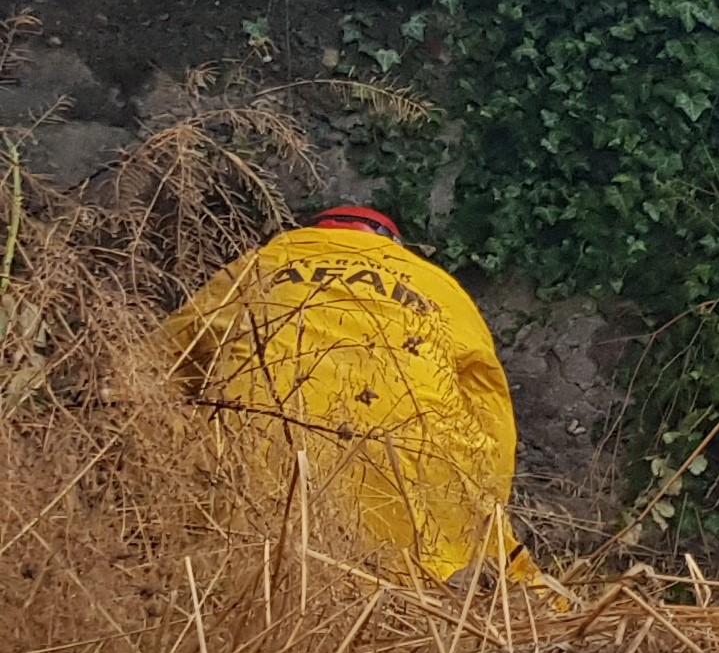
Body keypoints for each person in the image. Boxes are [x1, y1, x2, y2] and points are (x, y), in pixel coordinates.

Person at [157, 205, 548, 592]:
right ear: (394, 244)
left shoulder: (260, 264)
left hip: (257, 467)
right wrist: (482, 505)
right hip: (405, 466)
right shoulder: (438, 285)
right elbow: (489, 406)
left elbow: (157, 365)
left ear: (312, 232)